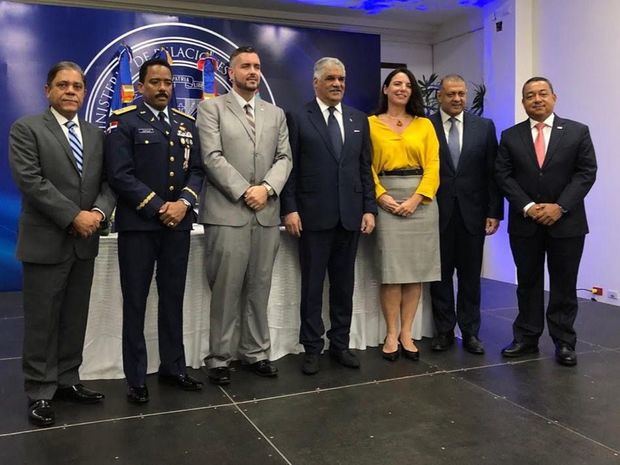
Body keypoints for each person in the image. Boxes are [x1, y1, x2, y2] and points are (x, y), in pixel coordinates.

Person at [8, 61, 115, 426]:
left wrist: (98, 215)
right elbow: (31, 180)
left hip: (84, 243)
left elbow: (107, 183)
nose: (71, 91)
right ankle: (39, 391)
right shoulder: (27, 129)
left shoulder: (96, 134)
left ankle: (68, 380)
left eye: (77, 86)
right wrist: (74, 216)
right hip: (46, 241)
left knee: (73, 318)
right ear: (47, 90)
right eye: (63, 85)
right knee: (42, 321)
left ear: (84, 92)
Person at [105, 58, 205, 403]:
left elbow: (197, 170)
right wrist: (158, 206)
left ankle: (173, 367)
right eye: (155, 82)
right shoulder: (124, 121)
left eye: (167, 82)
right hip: (139, 227)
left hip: (178, 226)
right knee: (136, 301)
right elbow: (118, 174)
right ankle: (136, 377)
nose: (162, 88)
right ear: (142, 85)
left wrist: (183, 204)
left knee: (173, 298)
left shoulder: (185, 122)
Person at [197, 46, 292, 385]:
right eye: (246, 66)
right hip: (227, 213)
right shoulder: (210, 109)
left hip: (265, 213)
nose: (253, 72)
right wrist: (244, 190)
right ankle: (220, 358)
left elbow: (285, 159)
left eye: (257, 66)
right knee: (225, 289)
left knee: (259, 287)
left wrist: (265, 188)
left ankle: (256, 353)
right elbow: (211, 157)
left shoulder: (275, 113)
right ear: (231, 72)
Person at [281, 57, 376, 375]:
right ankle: (311, 347)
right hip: (312, 217)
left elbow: (365, 169)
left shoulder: (359, 119)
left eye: (342, 79)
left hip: (349, 217)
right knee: (311, 286)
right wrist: (290, 208)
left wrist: (368, 208)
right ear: (316, 82)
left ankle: (340, 344)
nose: (338, 84)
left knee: (344, 286)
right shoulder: (297, 117)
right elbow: (289, 167)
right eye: (331, 78)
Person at [495, 77, 597, 366]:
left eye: (542, 94)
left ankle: (564, 342)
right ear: (523, 102)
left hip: (567, 223)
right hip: (526, 223)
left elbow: (586, 173)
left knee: (564, 284)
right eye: (529, 95)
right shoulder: (510, 136)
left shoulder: (577, 132)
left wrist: (560, 207)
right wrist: (527, 206)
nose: (536, 99)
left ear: (554, 97)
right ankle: (526, 338)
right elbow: (503, 175)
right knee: (527, 282)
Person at [368, 67, 440, 362]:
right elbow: (364, 166)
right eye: (396, 83)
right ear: (385, 89)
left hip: (420, 201)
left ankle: (407, 333)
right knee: (391, 273)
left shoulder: (424, 125)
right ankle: (390, 333)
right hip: (385, 195)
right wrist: (380, 195)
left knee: (415, 273)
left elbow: (434, 164)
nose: (402, 88)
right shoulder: (370, 124)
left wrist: (417, 199)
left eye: (407, 85)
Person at [429, 75, 503, 354]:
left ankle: (471, 332)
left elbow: (492, 173)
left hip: (473, 214)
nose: (457, 99)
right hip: (437, 213)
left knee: (471, 276)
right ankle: (444, 331)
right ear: (439, 96)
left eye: (461, 94)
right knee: (440, 276)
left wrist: (494, 212)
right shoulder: (426, 126)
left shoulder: (484, 127)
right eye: (451, 94)